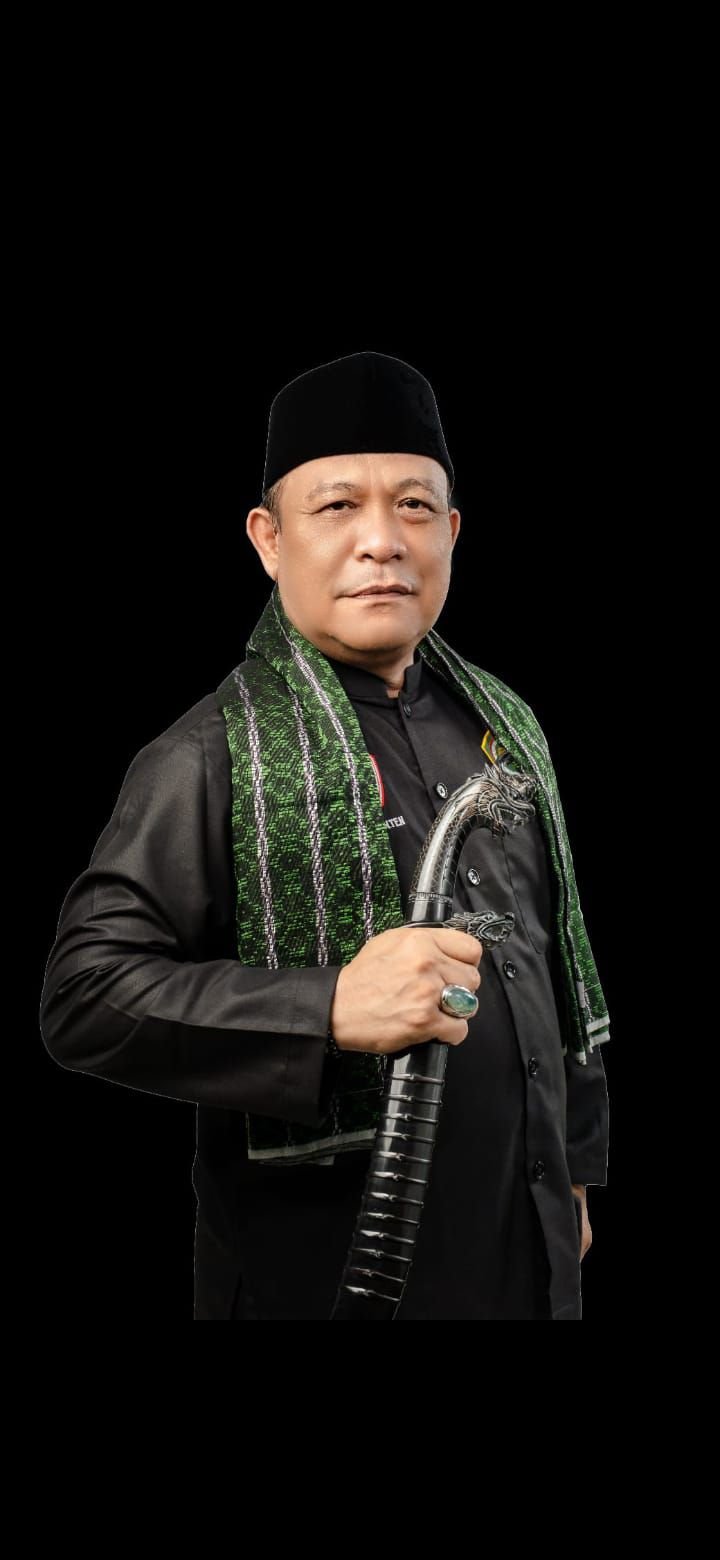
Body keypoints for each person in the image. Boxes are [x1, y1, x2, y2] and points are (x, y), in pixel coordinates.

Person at [39, 350, 610, 1320]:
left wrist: (576, 1175)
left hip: (532, 1262)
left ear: (452, 532)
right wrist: (331, 1005)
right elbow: (84, 995)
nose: (382, 541)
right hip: (327, 1282)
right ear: (269, 540)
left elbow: (556, 961)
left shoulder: (506, 723)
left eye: (415, 506)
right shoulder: (209, 755)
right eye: (339, 506)